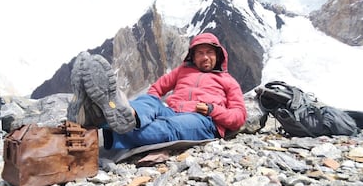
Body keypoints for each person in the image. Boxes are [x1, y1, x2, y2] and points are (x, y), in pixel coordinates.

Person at [67, 33, 247, 149]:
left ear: (218, 55)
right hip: (171, 110)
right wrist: (148, 108)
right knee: (150, 100)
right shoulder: (182, 71)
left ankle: (103, 123)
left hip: (202, 119)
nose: (205, 57)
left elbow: (239, 116)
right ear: (193, 56)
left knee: (169, 128)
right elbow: (157, 89)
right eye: (200, 53)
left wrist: (212, 110)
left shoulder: (228, 81)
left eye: (209, 52)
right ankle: (129, 115)